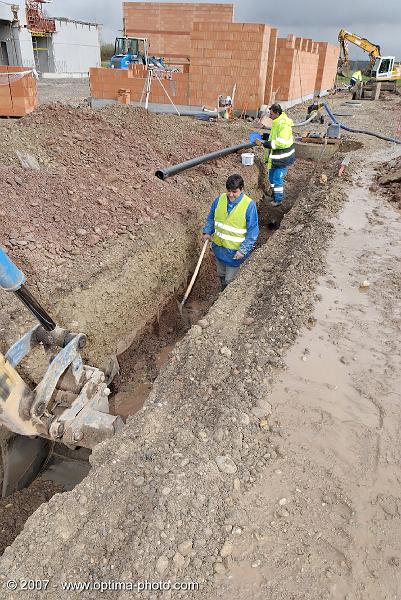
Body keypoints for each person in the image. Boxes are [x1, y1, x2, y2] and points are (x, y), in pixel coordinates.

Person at [202, 174, 259, 291]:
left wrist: (243, 250)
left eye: (234, 192)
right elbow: (212, 218)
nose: (231, 195)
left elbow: (253, 232)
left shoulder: (249, 205)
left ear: (242, 189)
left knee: (230, 280)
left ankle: (226, 297)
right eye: (229, 191)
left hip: (235, 253)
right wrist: (207, 231)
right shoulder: (219, 200)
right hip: (219, 249)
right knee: (221, 275)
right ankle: (222, 294)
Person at [255, 103, 295, 207]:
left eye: (271, 114)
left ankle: (278, 200)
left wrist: (266, 143)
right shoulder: (277, 122)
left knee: (277, 179)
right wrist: (265, 136)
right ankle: (274, 194)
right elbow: (275, 136)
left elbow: (280, 142)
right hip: (276, 157)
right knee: (272, 177)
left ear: (277, 113)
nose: (270, 116)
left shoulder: (284, 124)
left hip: (282, 158)